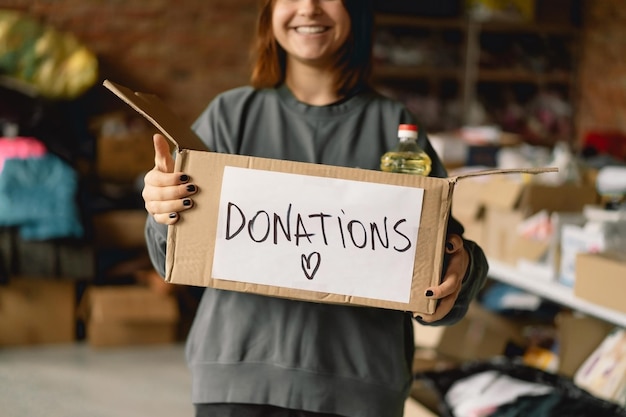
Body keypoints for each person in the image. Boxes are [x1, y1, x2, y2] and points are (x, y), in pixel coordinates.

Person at [142, 0, 489, 416]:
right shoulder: (229, 116)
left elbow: (444, 260)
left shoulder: (399, 131)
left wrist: (460, 270)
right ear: (269, 12)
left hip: (360, 388)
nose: (308, 7)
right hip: (236, 384)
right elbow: (169, 258)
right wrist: (163, 209)